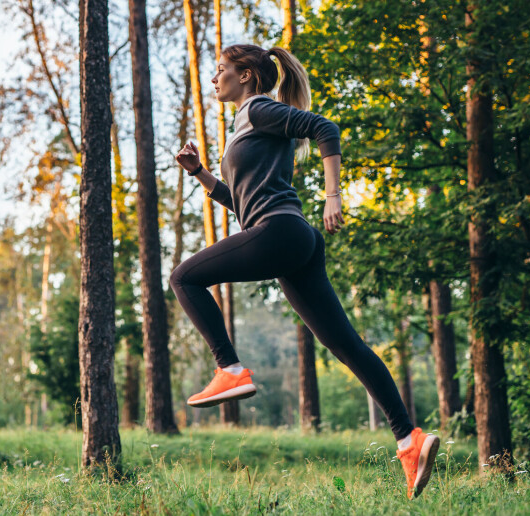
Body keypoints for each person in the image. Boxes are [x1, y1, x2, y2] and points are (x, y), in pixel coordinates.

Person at [172, 43, 439, 499]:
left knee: (183, 277)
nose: (214, 78)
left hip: (281, 232)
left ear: (246, 76)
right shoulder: (246, 125)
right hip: (292, 238)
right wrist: (200, 172)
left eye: (221, 69)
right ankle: (409, 440)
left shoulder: (258, 109)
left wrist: (334, 196)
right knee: (346, 344)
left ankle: (229, 368)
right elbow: (243, 205)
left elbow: (324, 128)